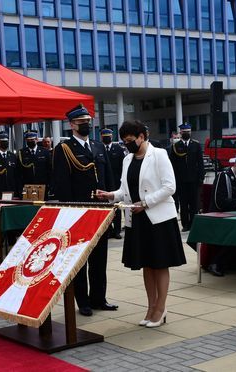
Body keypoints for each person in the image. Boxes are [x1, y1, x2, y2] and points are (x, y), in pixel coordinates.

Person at [97, 120, 186, 328]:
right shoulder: (128, 159)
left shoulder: (159, 155)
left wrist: (146, 203)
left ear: (141, 137)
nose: (128, 145)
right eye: (124, 141)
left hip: (158, 218)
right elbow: (124, 190)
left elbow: (170, 187)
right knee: (147, 264)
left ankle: (161, 307)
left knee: (160, 264)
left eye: (130, 141)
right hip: (136, 218)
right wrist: (110, 195)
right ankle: (150, 306)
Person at [52, 103, 117, 317]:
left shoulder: (98, 147)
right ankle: (84, 301)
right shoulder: (64, 149)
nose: (86, 125)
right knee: (80, 259)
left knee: (100, 258)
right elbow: (62, 185)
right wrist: (70, 213)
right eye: (81, 123)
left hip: (100, 210)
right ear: (71, 125)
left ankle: (99, 298)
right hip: (79, 212)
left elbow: (108, 179)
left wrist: (111, 204)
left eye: (88, 122)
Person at [168, 123, 205, 232]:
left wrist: (201, 178)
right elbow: (173, 165)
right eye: (184, 132)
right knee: (183, 204)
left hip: (194, 180)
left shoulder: (196, 145)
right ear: (181, 133)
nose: (186, 134)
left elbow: (200, 163)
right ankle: (185, 224)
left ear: (190, 132)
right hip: (181, 181)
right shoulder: (176, 146)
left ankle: (193, 224)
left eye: (188, 132)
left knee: (194, 204)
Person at [101, 128, 126, 239]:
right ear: (101, 137)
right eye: (104, 136)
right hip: (104, 184)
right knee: (105, 208)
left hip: (116, 183)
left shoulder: (118, 149)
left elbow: (123, 167)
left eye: (109, 136)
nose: (107, 138)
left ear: (111, 137)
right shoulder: (99, 148)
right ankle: (108, 230)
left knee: (117, 207)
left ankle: (117, 231)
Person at [17, 131, 51, 198]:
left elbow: (49, 169)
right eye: (28, 140)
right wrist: (20, 187)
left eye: (32, 139)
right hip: (27, 186)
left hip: (42, 185)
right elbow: (19, 172)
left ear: (37, 140)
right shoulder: (21, 153)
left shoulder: (45, 152)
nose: (30, 141)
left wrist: (49, 185)